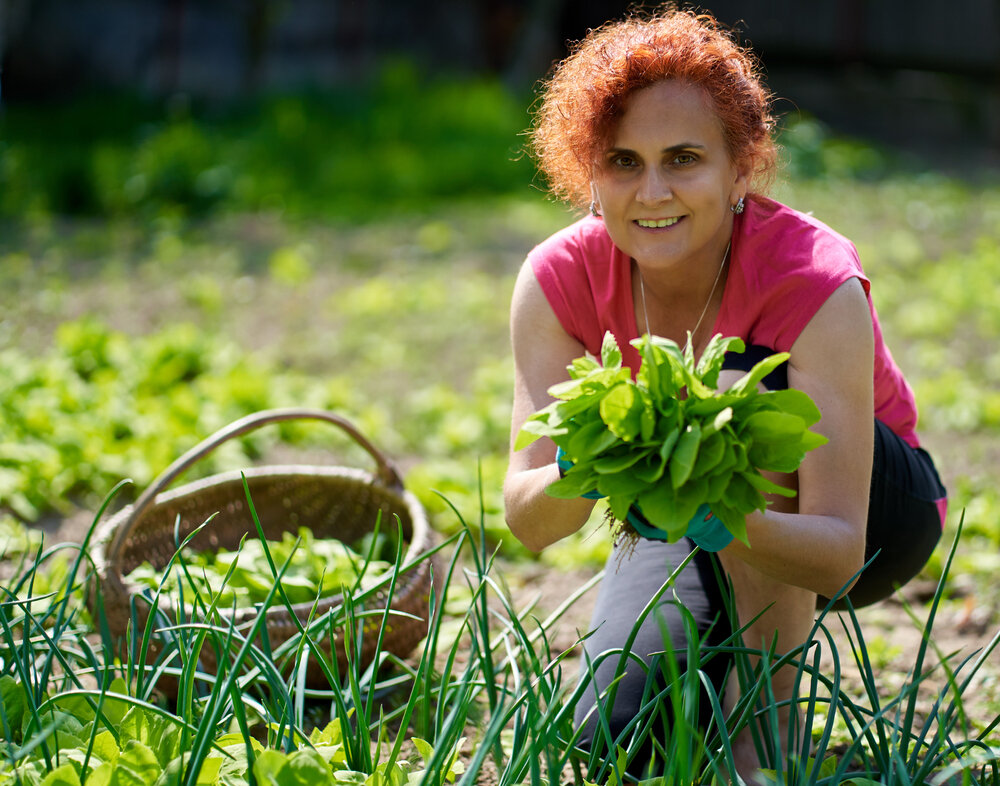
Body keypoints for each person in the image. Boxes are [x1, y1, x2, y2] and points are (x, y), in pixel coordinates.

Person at [502, 5, 948, 782]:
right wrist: (600, 457)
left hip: (870, 514)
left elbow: (841, 551)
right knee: (617, 741)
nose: (652, 192)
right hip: (697, 520)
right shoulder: (556, 279)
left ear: (738, 167)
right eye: (622, 162)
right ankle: (718, 673)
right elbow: (530, 518)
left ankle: (765, 745)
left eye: (683, 159)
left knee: (744, 392)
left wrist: (725, 515)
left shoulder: (810, 276)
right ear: (588, 173)